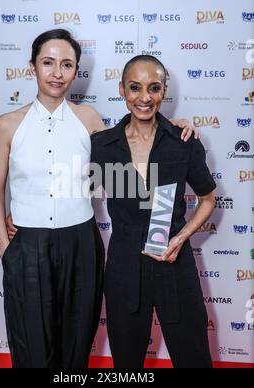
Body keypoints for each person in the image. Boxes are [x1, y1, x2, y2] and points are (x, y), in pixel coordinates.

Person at [0, 29, 198, 368]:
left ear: (76, 70)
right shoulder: (7, 124)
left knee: (77, 339)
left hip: (82, 241)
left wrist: (173, 131)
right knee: (31, 341)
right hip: (28, 245)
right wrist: (6, 248)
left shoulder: (89, 119)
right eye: (48, 63)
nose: (57, 73)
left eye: (66, 64)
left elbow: (130, 143)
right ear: (32, 66)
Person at [91, 55, 216, 368]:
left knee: (193, 356)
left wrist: (182, 236)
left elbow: (208, 199)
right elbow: (65, 188)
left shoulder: (182, 141)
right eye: (135, 87)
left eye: (154, 88)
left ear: (164, 90)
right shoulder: (102, 146)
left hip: (175, 258)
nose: (144, 97)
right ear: (122, 89)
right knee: (127, 360)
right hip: (123, 262)